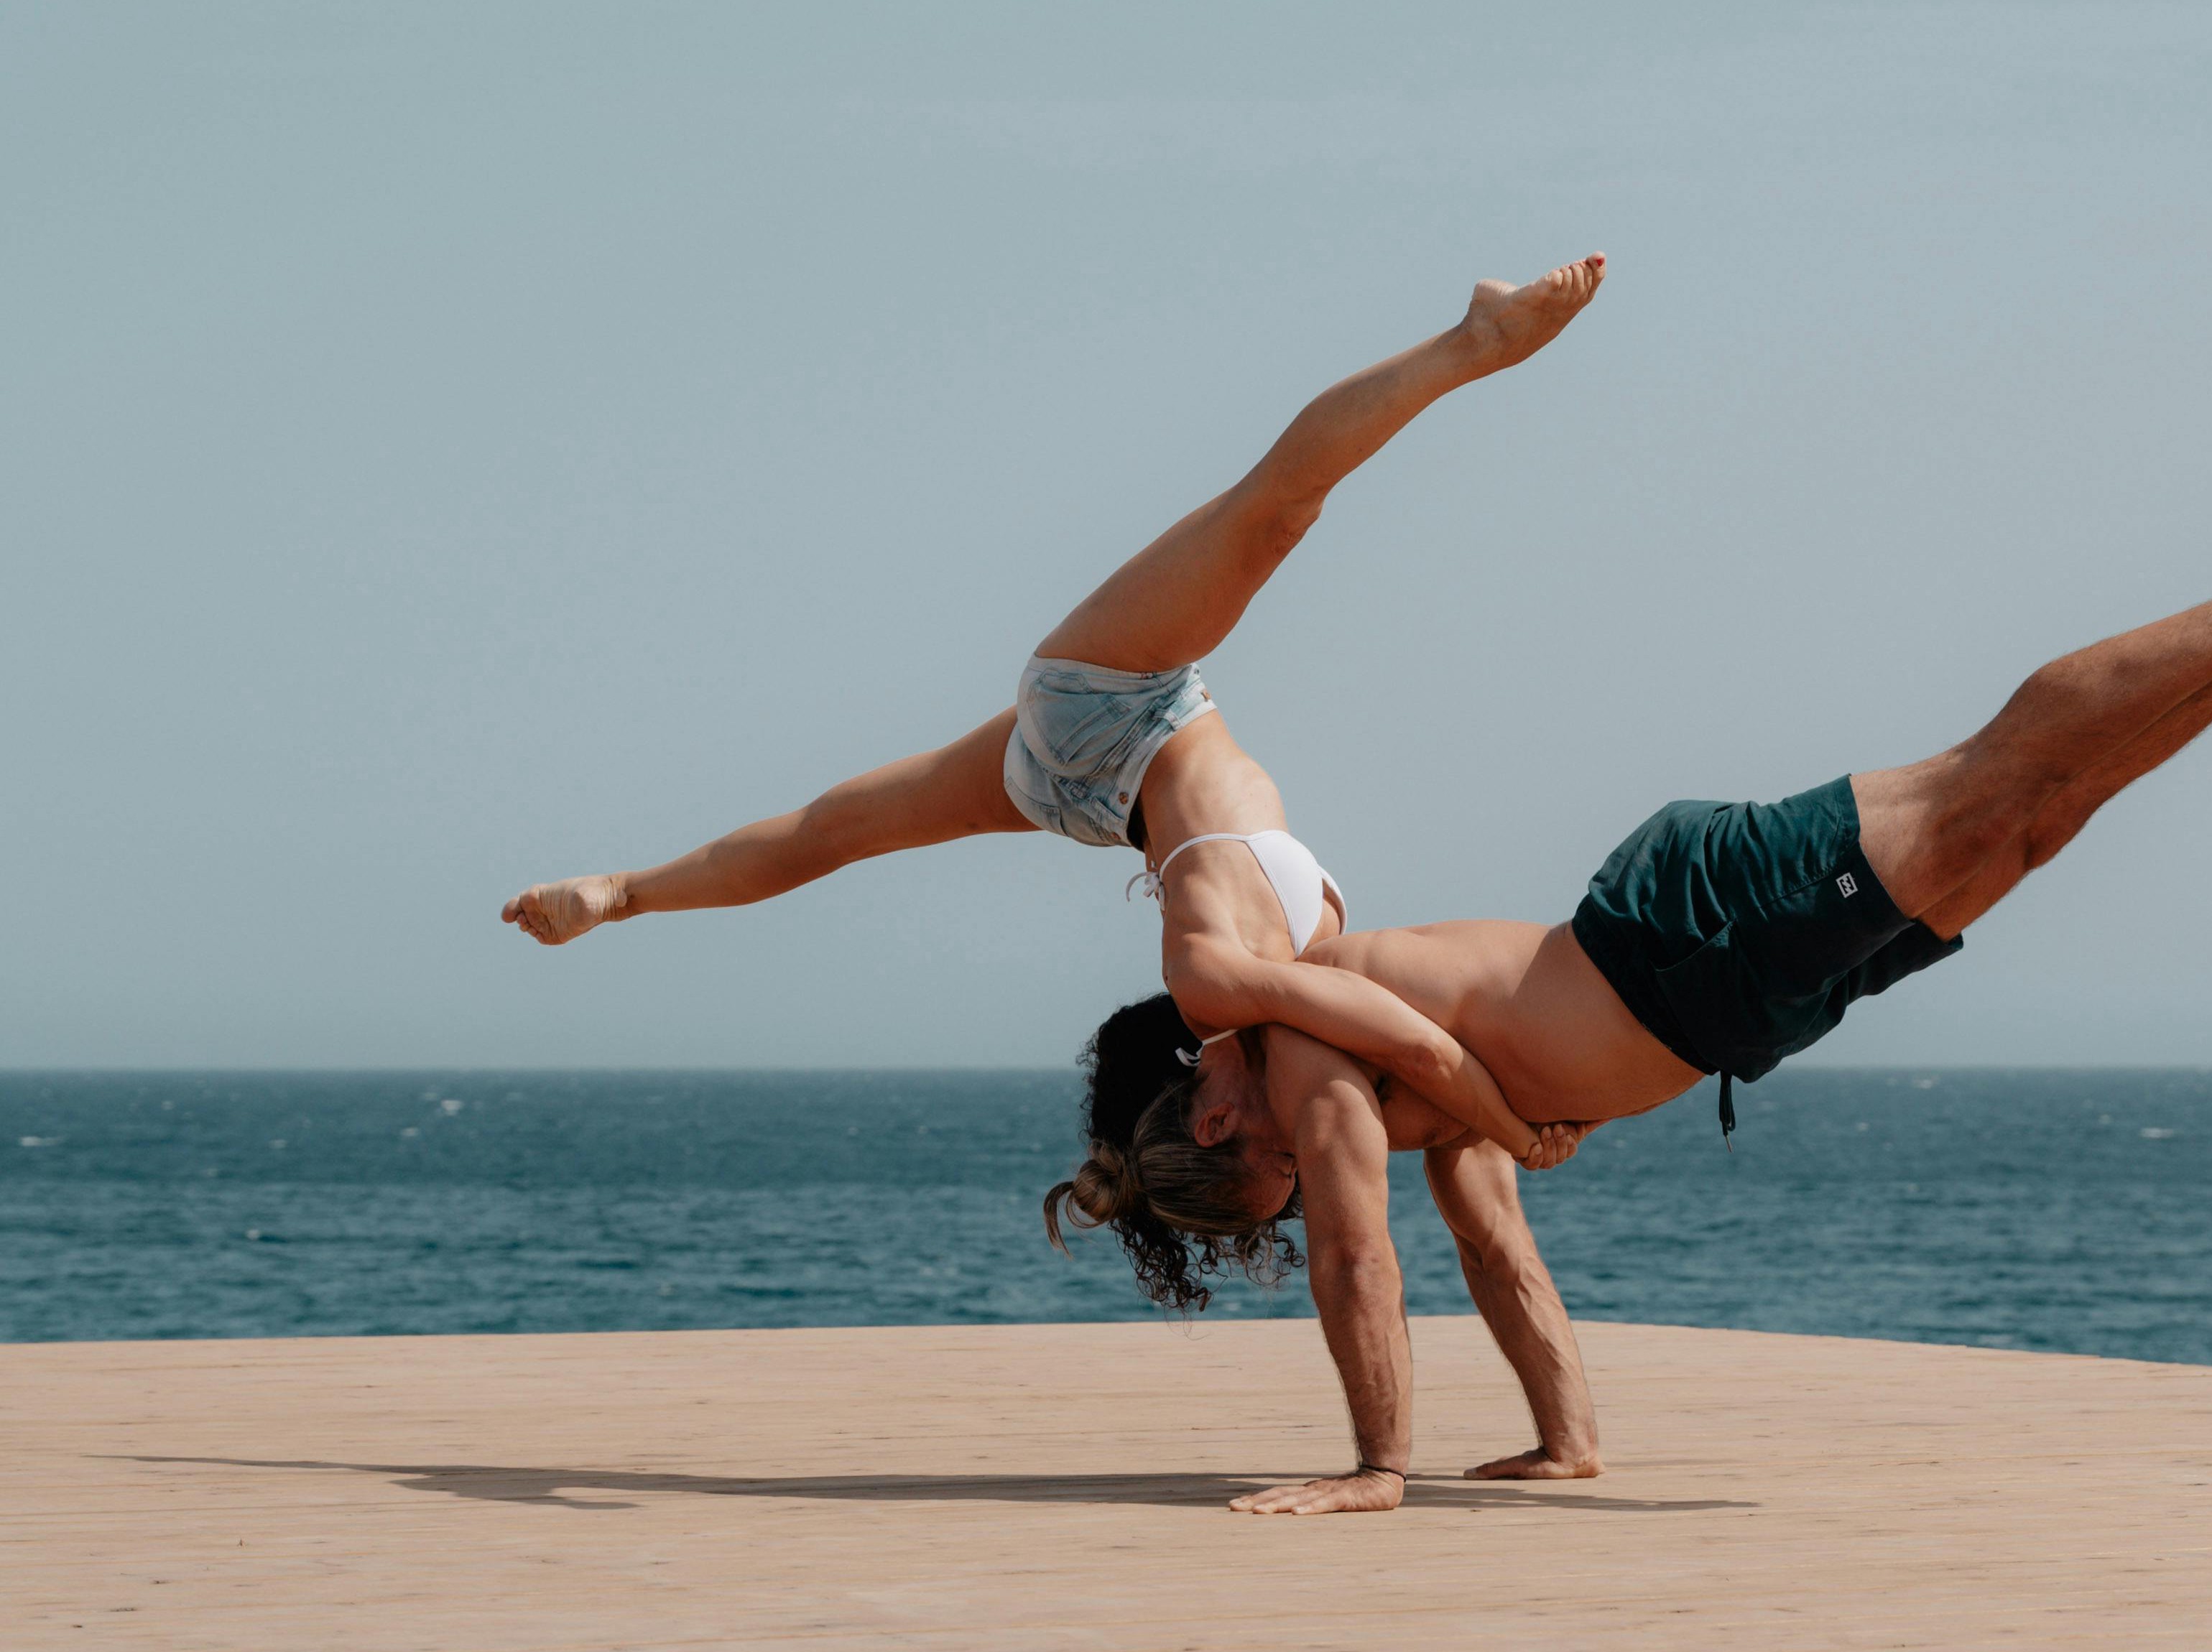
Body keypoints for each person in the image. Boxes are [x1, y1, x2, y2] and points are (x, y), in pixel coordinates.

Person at [1061, 542, 2212, 1513]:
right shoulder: (1401, 1096)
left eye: (1276, 1178)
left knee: (1985, 791)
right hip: (1724, 1004)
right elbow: (1490, 1244)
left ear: (1216, 1112)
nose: (1317, 1177)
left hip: (1680, 936)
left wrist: (1379, 1467)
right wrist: (1568, 1441)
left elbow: (1358, 1258)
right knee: (2036, 827)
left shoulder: (1307, 1050)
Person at [501, 255, 1611, 1222]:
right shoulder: (1262, 1011)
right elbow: (1432, 1045)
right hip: (1089, 798)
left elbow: (1425, 1050)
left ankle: (1476, 342)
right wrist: (1555, 1100)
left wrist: (1515, 1135)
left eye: (1284, 1161)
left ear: (1217, 1119)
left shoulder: (1232, 990)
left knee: (1273, 511)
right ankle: (623, 892)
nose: (1318, 1150)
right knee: (832, 834)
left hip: (1117, 712)